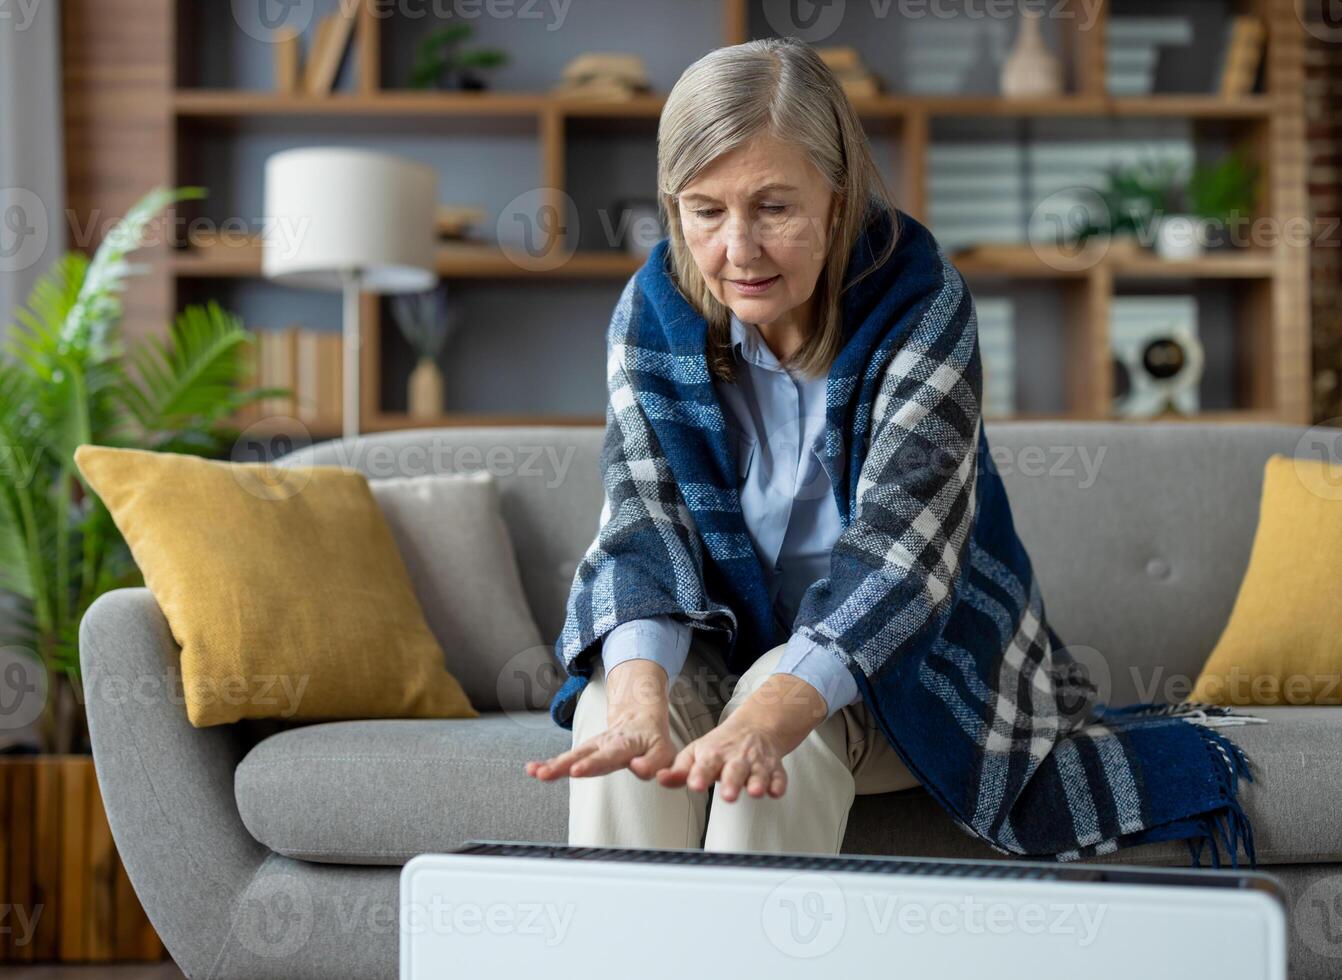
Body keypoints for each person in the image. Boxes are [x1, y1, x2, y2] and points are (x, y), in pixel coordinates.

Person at [525, 36, 1258, 868]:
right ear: (673, 204)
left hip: (911, 660)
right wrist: (636, 701)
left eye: (774, 207)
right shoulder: (652, 311)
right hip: (725, 651)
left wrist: (768, 711)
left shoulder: (920, 301)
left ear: (837, 201)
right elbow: (642, 525)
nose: (739, 250)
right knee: (613, 729)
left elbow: (904, 562)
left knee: (780, 739)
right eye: (706, 209)